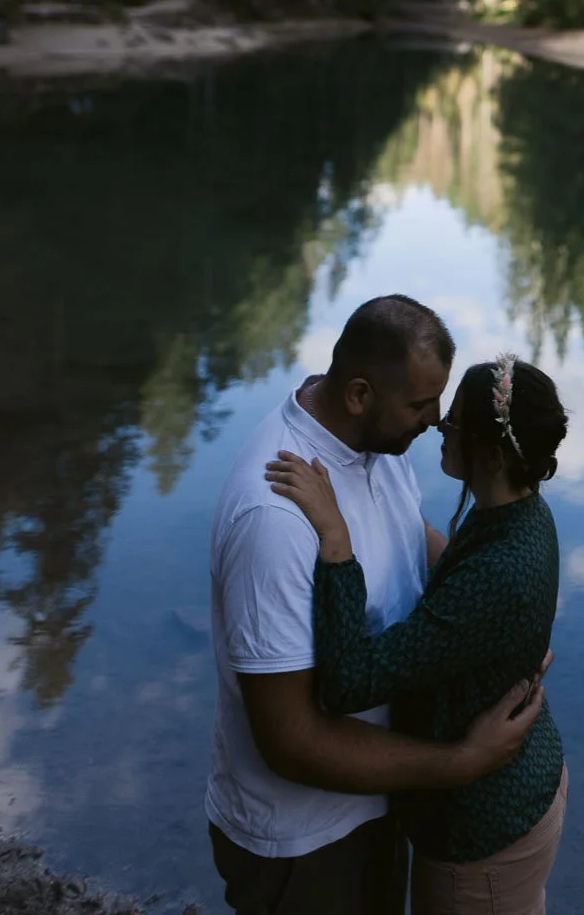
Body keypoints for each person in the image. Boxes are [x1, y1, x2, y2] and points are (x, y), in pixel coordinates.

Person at [206, 295, 545, 915]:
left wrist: (502, 615)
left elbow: (412, 536)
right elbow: (290, 739)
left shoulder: (374, 441)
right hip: (305, 840)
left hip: (384, 793)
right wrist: (460, 763)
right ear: (360, 394)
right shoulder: (275, 518)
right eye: (421, 405)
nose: (436, 421)